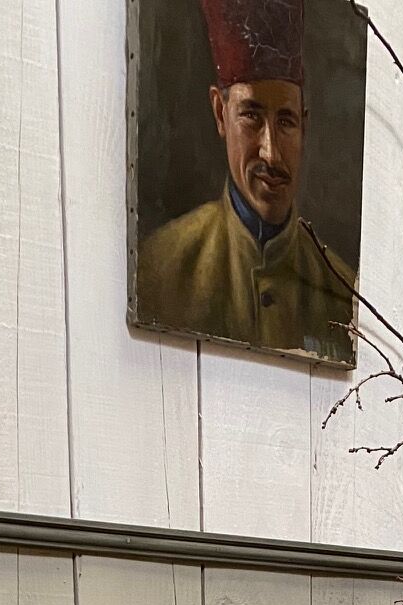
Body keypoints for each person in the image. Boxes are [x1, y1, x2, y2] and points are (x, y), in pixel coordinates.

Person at [135, 0, 356, 364]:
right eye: (251, 115)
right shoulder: (159, 269)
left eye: (286, 121)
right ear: (221, 114)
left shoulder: (342, 291)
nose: (271, 153)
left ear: (305, 124)